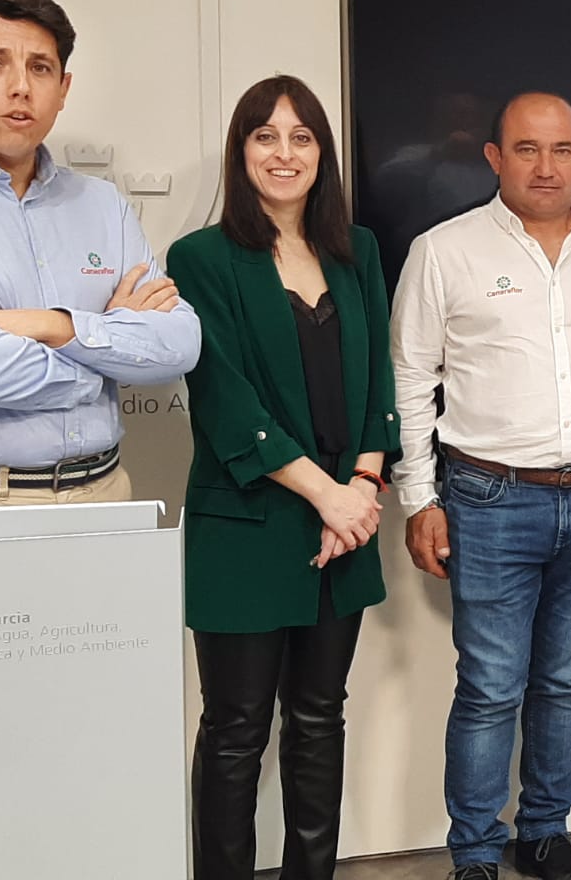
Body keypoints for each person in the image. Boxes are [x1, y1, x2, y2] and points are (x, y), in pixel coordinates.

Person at [391, 92, 571, 880]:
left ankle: (544, 833)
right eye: (526, 149)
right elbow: (411, 383)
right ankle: (474, 854)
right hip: (487, 500)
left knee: (567, 679)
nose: (545, 166)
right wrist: (422, 500)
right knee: (488, 687)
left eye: (562, 150)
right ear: (494, 158)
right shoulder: (444, 251)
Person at [167, 75, 397, 880]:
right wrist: (328, 495)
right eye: (265, 135)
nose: (284, 152)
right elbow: (224, 398)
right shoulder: (200, 258)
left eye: (301, 137)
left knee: (319, 718)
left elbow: (381, 382)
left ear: (322, 153)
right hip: (249, 522)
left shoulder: (356, 249)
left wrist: (364, 484)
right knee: (235, 730)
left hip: (348, 521)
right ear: (241, 151)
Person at [0, 0, 199, 508]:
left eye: (40, 68)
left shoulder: (102, 204)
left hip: (106, 490)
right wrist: (104, 354)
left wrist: (53, 325)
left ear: (63, 88)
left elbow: (179, 344)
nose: (21, 87)